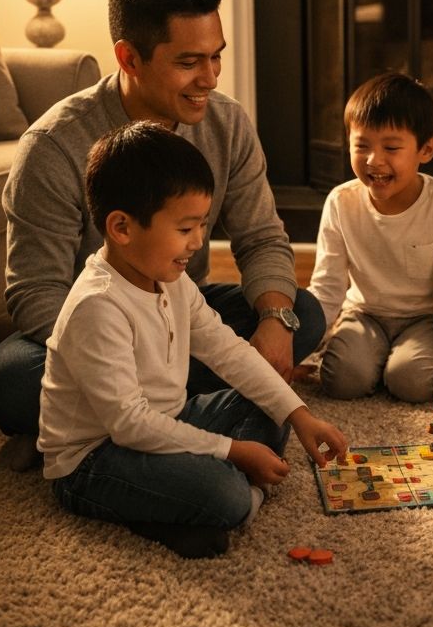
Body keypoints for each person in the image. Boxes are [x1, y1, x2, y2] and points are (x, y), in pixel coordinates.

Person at [0, 0, 325, 466]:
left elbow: (262, 237)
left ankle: (130, 425)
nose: (209, 78)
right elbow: (36, 291)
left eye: (216, 57)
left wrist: (273, 319)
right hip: (93, 336)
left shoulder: (226, 123)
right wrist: (122, 362)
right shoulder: (53, 146)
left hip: (180, 310)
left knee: (303, 314)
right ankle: (146, 419)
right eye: (188, 62)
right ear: (129, 57)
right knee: (6, 381)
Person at [40, 121, 347, 559]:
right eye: (185, 229)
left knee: (271, 403)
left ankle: (185, 504)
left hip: (171, 417)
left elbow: (227, 350)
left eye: (203, 225)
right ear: (122, 227)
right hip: (94, 458)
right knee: (226, 495)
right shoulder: (98, 306)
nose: (199, 242)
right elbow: (129, 425)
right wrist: (233, 450)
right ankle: (215, 503)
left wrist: (299, 415)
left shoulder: (171, 279)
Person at [308, 72, 433, 406]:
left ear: (425, 149)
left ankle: (392, 363)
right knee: (342, 380)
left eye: (391, 147)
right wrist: (299, 351)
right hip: (364, 313)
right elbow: (326, 286)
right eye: (362, 146)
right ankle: (370, 357)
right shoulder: (341, 202)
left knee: (411, 382)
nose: (374, 160)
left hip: (423, 320)